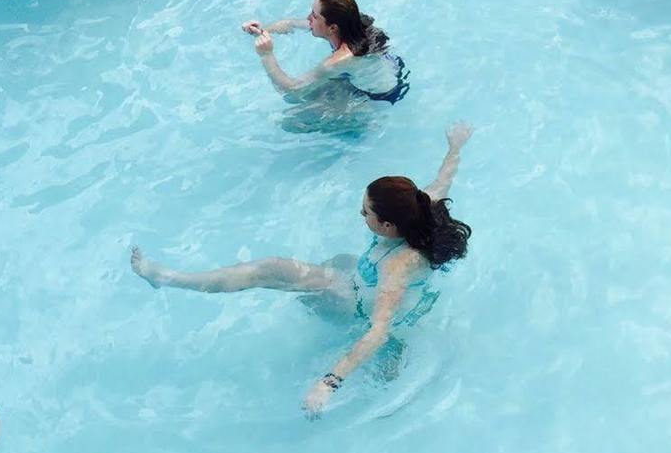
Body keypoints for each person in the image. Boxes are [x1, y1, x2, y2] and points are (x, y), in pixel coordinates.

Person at [131, 123, 474, 415]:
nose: (361, 215)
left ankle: (167, 279)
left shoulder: (398, 267)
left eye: (366, 212)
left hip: (355, 303)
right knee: (282, 268)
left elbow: (378, 330)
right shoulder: (421, 207)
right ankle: (168, 278)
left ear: (386, 226)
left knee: (273, 273)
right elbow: (444, 179)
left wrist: (329, 383)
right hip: (357, 278)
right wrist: (456, 145)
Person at [242, 0, 409, 108]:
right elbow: (291, 24)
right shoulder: (350, 22)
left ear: (332, 28)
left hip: (380, 94)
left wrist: (266, 55)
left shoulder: (337, 61)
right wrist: (263, 31)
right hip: (389, 65)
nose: (308, 18)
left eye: (314, 16)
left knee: (297, 118)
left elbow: (291, 90)